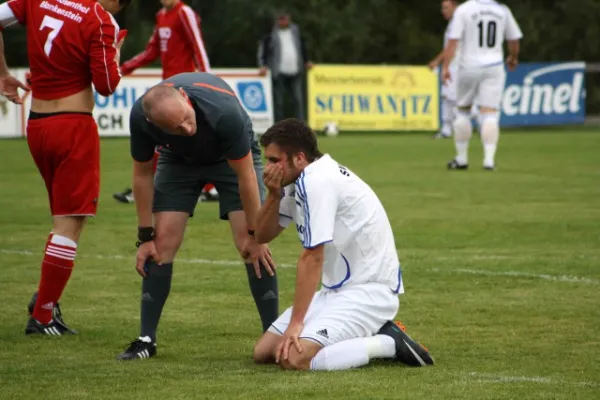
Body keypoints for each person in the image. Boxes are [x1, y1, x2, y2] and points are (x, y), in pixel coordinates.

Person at [116, 72, 279, 360]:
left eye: (188, 119)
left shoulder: (224, 113)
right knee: (160, 245)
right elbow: (142, 175)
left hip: (231, 162)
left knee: (251, 247)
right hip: (178, 162)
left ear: (186, 98)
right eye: (176, 129)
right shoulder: (142, 118)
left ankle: (273, 336)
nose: (187, 129)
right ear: (155, 125)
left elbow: (246, 179)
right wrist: (144, 236)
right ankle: (146, 340)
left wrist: (257, 234)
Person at [251, 119, 434, 371]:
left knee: (293, 359)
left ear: (299, 157)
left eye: (274, 160)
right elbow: (261, 235)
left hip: (368, 293)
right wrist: (273, 196)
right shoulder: (296, 181)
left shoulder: (318, 181)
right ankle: (352, 336)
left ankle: (388, 342)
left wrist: (296, 323)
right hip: (334, 292)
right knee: (263, 352)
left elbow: (313, 257)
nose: (269, 168)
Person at [0, 0, 128, 336]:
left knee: (62, 218)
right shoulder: (101, 19)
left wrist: (3, 74)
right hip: (73, 126)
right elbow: (107, 85)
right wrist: (114, 52)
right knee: (70, 221)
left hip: (38, 125)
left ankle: (45, 297)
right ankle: (42, 317)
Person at [113, 0, 217, 204]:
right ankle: (210, 188)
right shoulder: (161, 16)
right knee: (180, 138)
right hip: (168, 88)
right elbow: (152, 51)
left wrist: (209, 83)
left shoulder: (184, 12)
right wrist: (123, 68)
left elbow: (198, 47)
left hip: (185, 87)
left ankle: (147, 188)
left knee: (163, 137)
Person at [442, 0, 522, 170]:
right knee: (490, 113)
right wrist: (513, 57)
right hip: (494, 66)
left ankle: (462, 159)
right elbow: (514, 39)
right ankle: (489, 160)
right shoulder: (502, 10)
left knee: (462, 110)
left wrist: (446, 66)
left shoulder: (464, 10)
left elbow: (453, 41)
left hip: (468, 66)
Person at [258, 10, 313, 122]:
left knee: (298, 100)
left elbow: (302, 46)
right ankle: (280, 126)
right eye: (281, 19)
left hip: (295, 70)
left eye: (285, 19)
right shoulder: (271, 34)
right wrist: (263, 65)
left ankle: (301, 125)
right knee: (279, 101)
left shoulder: (295, 31)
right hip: (279, 71)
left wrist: (306, 60)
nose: (283, 21)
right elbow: (264, 50)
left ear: (289, 19)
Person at [429, 0, 460, 139]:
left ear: (455, 6)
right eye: (442, 8)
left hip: (457, 66)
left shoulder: (458, 23)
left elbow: (450, 47)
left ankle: (481, 123)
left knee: (453, 98)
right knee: (447, 97)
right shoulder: (454, 23)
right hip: (452, 65)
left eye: (446, 7)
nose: (443, 11)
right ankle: (447, 128)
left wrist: (438, 61)